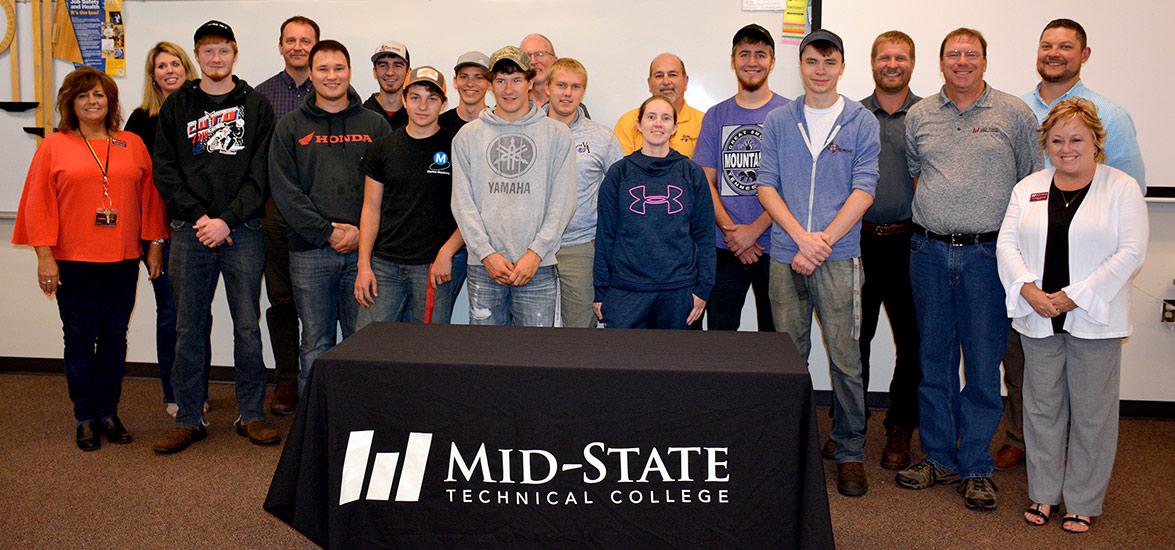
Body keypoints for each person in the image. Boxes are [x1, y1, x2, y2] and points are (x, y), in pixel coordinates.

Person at [895, 28, 1041, 511]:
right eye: (953, 54)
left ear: (984, 60)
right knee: (933, 362)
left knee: (981, 367)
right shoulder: (919, 115)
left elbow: (1029, 183)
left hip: (987, 258)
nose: (961, 61)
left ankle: (976, 465)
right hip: (929, 254)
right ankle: (939, 456)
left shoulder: (1014, 114)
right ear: (941, 63)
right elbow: (917, 174)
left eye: (970, 54)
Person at [996, 17, 1149, 470]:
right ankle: (1023, 441)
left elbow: (1128, 198)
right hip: (1030, 260)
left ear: (1084, 55)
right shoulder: (1014, 110)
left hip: (1086, 273)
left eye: (1066, 46)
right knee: (1024, 366)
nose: (1054, 53)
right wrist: (1024, 281)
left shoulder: (1111, 115)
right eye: (1046, 45)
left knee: (1087, 395)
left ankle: (1076, 467)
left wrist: (1081, 289)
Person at [13, 67, 168, 450]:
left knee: (115, 336)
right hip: (73, 260)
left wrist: (155, 244)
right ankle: (85, 415)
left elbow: (150, 196)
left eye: (99, 94)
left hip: (121, 258)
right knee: (80, 337)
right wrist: (44, 257)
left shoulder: (131, 143)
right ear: (71, 103)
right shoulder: (54, 145)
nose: (92, 101)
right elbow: (39, 203)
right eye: (83, 95)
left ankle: (109, 412)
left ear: (110, 101)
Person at [756, 30, 879, 497]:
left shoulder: (860, 121)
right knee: (790, 358)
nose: (820, 69)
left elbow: (863, 189)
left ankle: (848, 450)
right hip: (786, 253)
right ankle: (795, 445)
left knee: (846, 361)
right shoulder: (779, 121)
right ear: (801, 65)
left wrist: (822, 241)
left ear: (842, 66)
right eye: (811, 61)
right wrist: (800, 238)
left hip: (839, 256)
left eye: (829, 61)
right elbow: (766, 185)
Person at [151, 20, 279, 453]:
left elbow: (261, 172)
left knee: (247, 325)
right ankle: (189, 417)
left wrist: (226, 219)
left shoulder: (257, 105)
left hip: (242, 231)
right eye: (208, 51)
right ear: (198, 56)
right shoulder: (176, 107)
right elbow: (165, 171)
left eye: (223, 50)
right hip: (189, 233)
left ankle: (252, 413)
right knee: (189, 327)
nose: (216, 58)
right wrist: (202, 218)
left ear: (235, 53)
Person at [269, 40, 390, 392]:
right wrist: (326, 232)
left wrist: (358, 236)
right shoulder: (290, 127)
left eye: (338, 68)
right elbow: (285, 190)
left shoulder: (375, 125)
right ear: (311, 74)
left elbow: (386, 191)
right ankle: (316, 425)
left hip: (362, 255)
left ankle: (358, 420)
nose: (331, 76)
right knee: (315, 343)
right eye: (323, 69)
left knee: (362, 341)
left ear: (350, 72)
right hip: (308, 253)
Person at [450, 45, 576, 326]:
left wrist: (535, 253)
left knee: (533, 359)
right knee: (486, 357)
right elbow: (462, 202)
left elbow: (563, 202)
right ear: (491, 85)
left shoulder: (557, 135)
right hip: (484, 267)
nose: (509, 89)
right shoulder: (467, 136)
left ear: (531, 83)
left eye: (517, 80)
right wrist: (486, 253)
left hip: (538, 267)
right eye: (501, 81)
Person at [124, 41, 211, 418]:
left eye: (176, 63)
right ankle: (174, 392)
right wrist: (155, 239)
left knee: (199, 314)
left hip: (204, 226)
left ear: (186, 68)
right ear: (152, 75)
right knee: (172, 314)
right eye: (161, 66)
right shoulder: (141, 120)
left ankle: (197, 389)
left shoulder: (207, 113)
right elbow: (141, 186)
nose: (169, 71)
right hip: (161, 231)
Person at [693, 23, 788, 331]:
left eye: (760, 54)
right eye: (744, 53)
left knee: (776, 341)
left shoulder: (788, 114)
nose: (752, 61)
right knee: (721, 340)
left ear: (772, 62)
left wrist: (754, 231)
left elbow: (791, 185)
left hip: (775, 246)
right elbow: (705, 181)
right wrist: (733, 232)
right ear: (733, 60)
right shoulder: (716, 115)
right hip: (725, 247)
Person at [857, 30, 922, 470]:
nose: (892, 64)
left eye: (900, 57)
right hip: (857, 241)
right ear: (873, 63)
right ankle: (852, 421)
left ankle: (900, 425)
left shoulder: (930, 114)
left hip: (912, 243)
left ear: (912, 64)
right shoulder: (853, 114)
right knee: (853, 339)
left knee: (912, 341)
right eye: (884, 57)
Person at [593, 95, 714, 329]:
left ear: (674, 128)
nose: (658, 123)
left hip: (678, 291)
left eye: (666, 118)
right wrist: (601, 290)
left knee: (674, 364)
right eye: (651, 117)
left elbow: (704, 236)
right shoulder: (619, 174)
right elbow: (606, 235)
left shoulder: (691, 173)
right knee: (626, 364)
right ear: (639, 124)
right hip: (627, 290)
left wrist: (703, 289)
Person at [355, 66, 462, 325]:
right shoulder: (382, 148)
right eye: (415, 97)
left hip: (433, 268)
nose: (423, 106)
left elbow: (471, 211)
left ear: (444, 103)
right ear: (404, 100)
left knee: (428, 352)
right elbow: (370, 208)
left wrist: (447, 253)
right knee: (368, 345)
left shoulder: (457, 148)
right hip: (384, 266)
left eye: (432, 98)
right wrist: (363, 265)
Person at [254, 15, 319, 416]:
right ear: (280, 46)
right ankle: (285, 381)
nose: (298, 47)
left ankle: (321, 379)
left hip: (320, 217)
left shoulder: (334, 92)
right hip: (276, 215)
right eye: (290, 40)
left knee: (321, 302)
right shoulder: (261, 98)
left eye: (305, 40)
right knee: (282, 301)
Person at [545, 57, 623, 328]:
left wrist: (603, 240)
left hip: (581, 246)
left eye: (575, 87)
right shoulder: (529, 130)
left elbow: (619, 194)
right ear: (547, 88)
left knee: (579, 332)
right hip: (530, 249)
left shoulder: (602, 136)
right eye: (561, 85)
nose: (567, 93)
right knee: (529, 330)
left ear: (583, 92)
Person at [612, 53, 704, 157]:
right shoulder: (628, 122)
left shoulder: (704, 122)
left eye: (672, 74)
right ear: (649, 83)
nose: (666, 81)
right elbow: (623, 169)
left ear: (685, 81)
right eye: (659, 76)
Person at [363, 40, 411, 129]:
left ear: (408, 72)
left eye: (397, 65)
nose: (390, 72)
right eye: (383, 65)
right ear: (374, 71)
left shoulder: (416, 116)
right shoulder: (362, 115)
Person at [439, 51, 490, 131]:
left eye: (479, 77)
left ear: (489, 83)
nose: (470, 83)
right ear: (455, 82)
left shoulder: (497, 123)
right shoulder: (439, 125)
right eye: (464, 77)